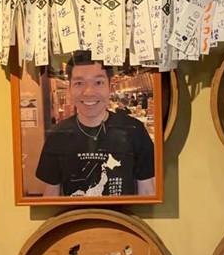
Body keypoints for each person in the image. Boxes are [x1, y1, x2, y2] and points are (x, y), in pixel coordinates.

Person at [35, 53, 156, 197]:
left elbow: (147, 190)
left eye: (98, 82)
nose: (89, 92)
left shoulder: (134, 131)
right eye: (79, 83)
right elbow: (51, 193)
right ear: (70, 89)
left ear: (109, 87)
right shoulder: (58, 136)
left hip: (122, 213)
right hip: (76, 212)